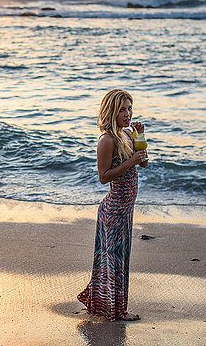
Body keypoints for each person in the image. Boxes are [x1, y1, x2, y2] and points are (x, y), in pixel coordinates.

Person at [77, 89, 148, 321]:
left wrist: (140, 138)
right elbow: (104, 176)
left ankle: (102, 305)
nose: (127, 114)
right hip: (114, 210)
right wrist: (130, 162)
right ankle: (117, 311)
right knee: (114, 261)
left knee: (119, 259)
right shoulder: (106, 140)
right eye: (122, 110)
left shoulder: (127, 134)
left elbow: (143, 163)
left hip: (126, 209)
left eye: (130, 108)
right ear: (111, 111)